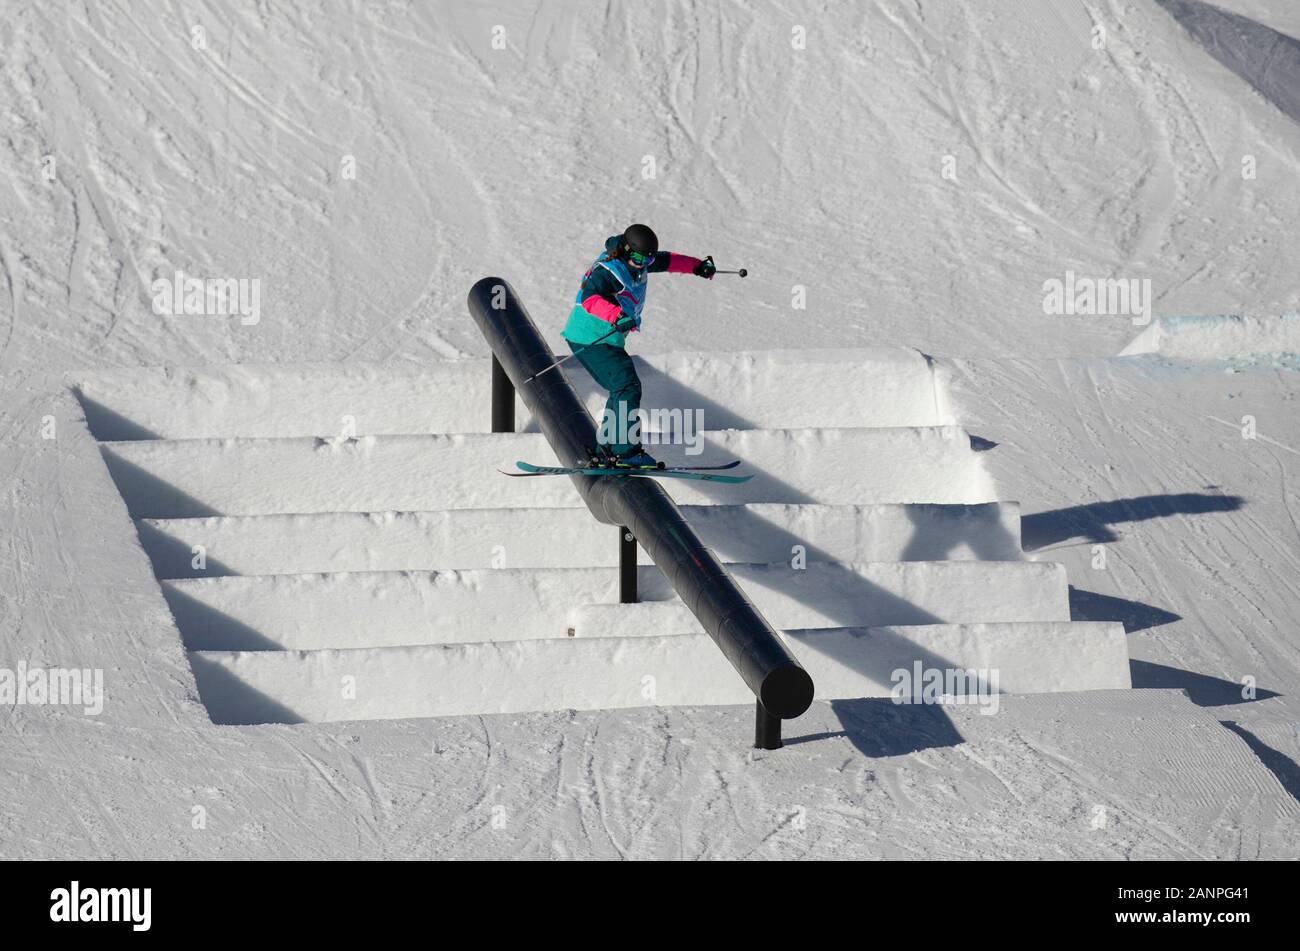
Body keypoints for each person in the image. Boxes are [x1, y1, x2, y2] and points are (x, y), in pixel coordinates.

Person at [561, 224, 715, 468]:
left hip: (605, 338)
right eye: (636, 257)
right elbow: (590, 299)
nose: (641, 263)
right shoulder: (610, 270)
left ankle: (609, 449)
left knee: (621, 387)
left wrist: (697, 266)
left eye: (647, 259)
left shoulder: (638, 261)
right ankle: (625, 452)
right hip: (590, 337)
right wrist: (616, 316)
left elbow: (668, 261)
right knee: (626, 385)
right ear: (624, 250)